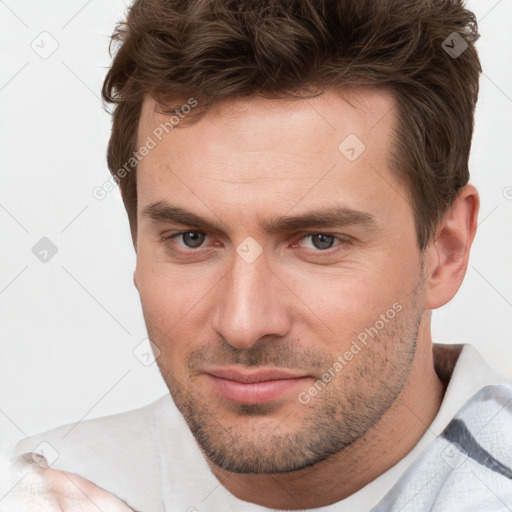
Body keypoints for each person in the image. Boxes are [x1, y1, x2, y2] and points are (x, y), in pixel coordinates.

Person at [4, 0, 512, 510]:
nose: (243, 324)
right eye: (192, 238)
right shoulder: (41, 494)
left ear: (446, 251)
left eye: (319, 241)